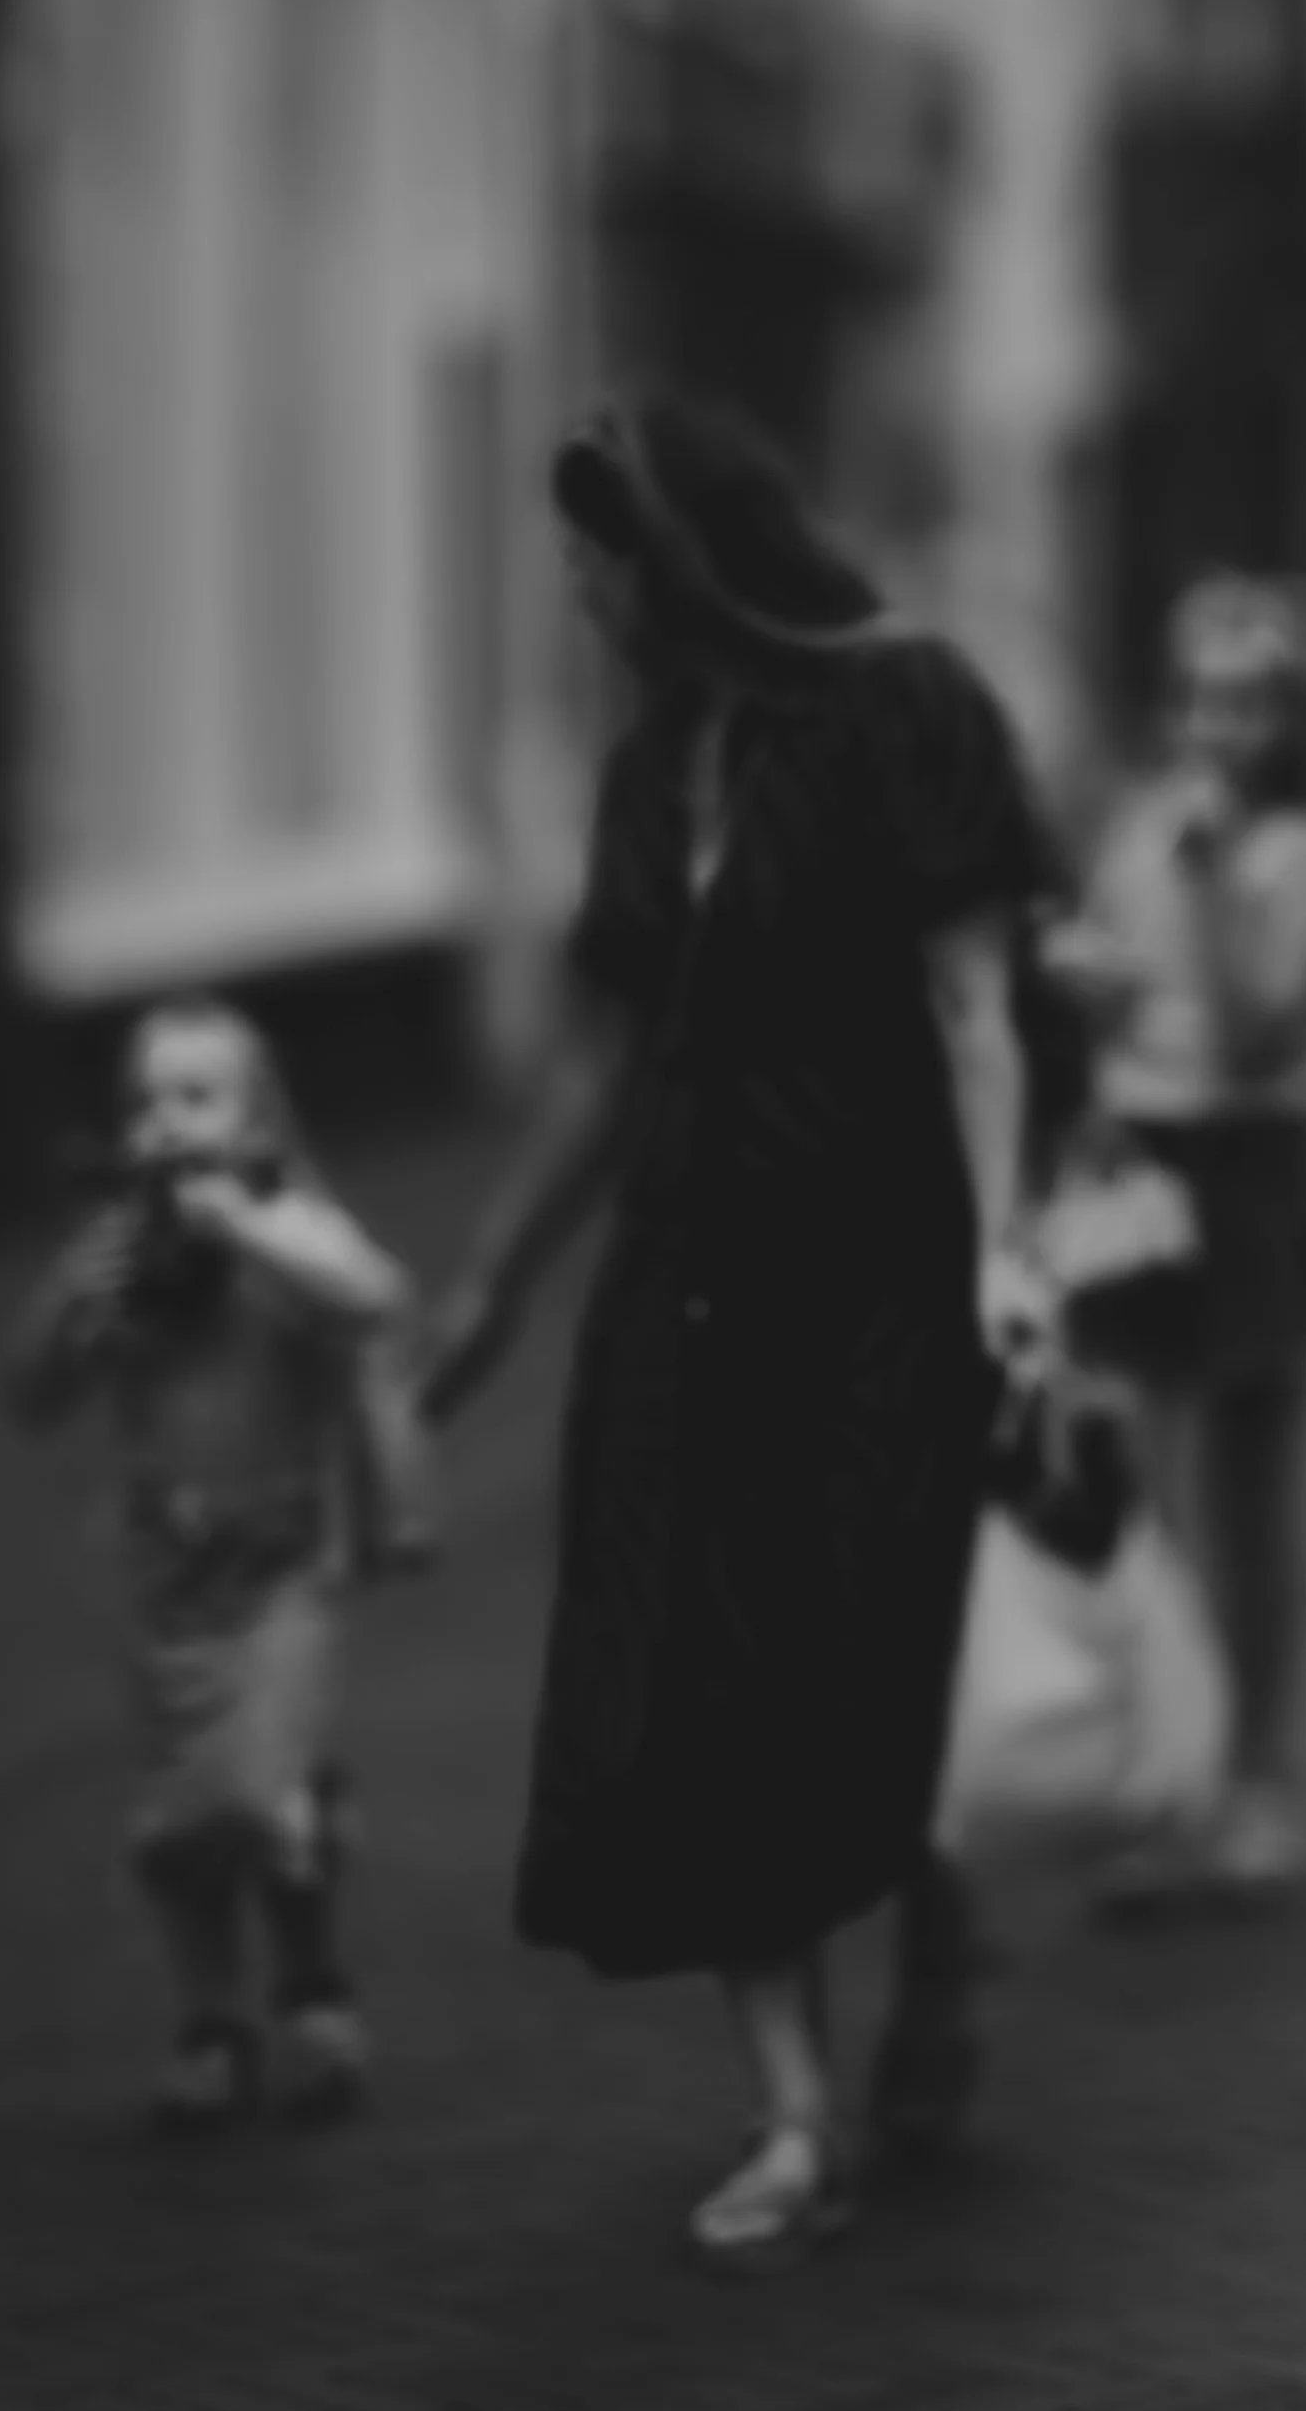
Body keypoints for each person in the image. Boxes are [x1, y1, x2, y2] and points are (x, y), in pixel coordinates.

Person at [421, 389, 1052, 2271]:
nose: (575, 586)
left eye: (594, 550)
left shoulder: (903, 708)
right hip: (678, 1294)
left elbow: (975, 1006)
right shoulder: (645, 774)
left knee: (867, 1654)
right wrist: (490, 1283)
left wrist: (1006, 1252)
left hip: (873, 1273)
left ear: (675, 554)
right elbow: (607, 1062)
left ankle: (932, 1921)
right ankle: (795, 2112)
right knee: (696, 1684)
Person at [2, 995, 420, 2132]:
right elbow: (30, 1395)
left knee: (229, 1801)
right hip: (163, 1587)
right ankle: (225, 2016)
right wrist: (65, 1306)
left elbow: (373, 1293)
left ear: (258, 1124)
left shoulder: (284, 1232)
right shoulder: (121, 1258)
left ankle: (304, 1955)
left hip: (285, 1570)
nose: (165, 1120)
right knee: (196, 1817)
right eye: (143, 1101)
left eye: (196, 1096)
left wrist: (238, 1219)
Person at [1039, 576, 1306, 1905]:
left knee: (1249, 1497)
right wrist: (1085, 987)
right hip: (1139, 1164)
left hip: (1256, 1174)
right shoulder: (1137, 821)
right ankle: (1159, 1771)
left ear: (1294, 716)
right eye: (1194, 697)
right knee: (1131, 1489)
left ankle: (1257, 1780)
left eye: (1245, 701)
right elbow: (1113, 1009)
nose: (1214, 727)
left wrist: (1218, 882)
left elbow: (1262, 1035)